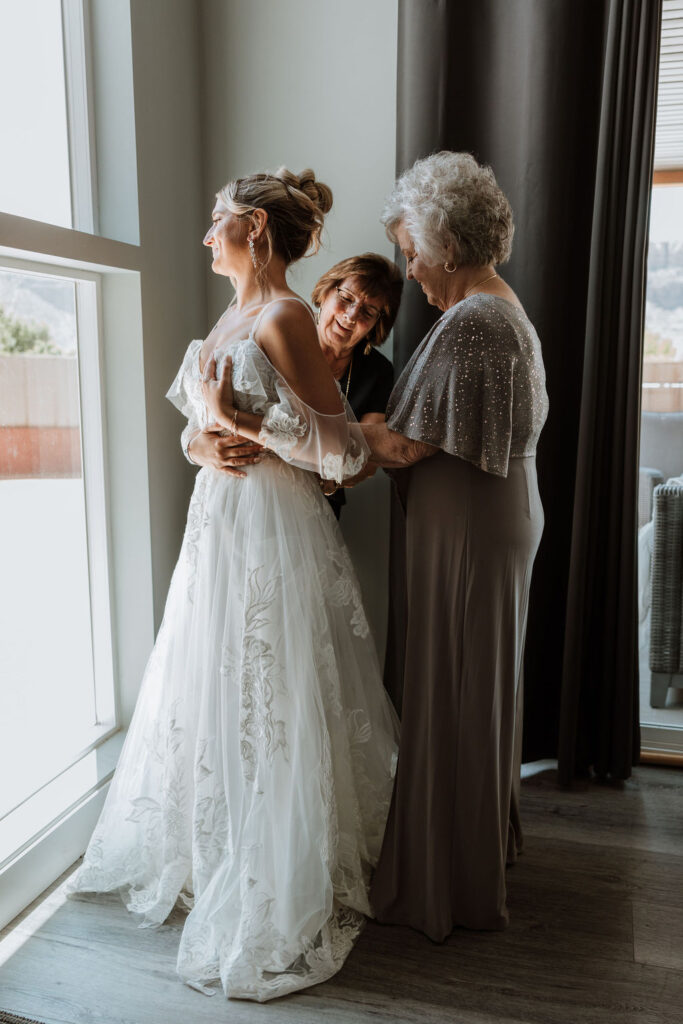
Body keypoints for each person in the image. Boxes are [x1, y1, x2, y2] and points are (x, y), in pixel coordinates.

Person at [67, 168, 399, 1001]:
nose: (207, 237)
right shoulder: (236, 314)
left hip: (271, 533)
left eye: (217, 224)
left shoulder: (285, 314)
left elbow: (347, 457)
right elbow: (198, 428)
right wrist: (206, 447)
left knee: (270, 690)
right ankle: (217, 841)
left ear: (252, 227)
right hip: (218, 523)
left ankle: (274, 861)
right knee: (214, 680)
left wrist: (248, 426)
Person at [360, 152, 549, 940]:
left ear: (445, 241)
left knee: (453, 693)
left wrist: (352, 427)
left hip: (467, 531)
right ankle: (472, 851)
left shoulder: (474, 321)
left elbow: (405, 448)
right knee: (475, 693)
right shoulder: (498, 310)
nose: (408, 268)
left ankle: (448, 883)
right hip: (482, 520)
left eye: (412, 251)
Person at [188, 253, 402, 518]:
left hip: (317, 505)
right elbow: (207, 410)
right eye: (345, 298)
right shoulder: (282, 331)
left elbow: (366, 456)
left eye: (367, 312)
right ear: (325, 292)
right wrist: (194, 446)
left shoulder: (378, 372)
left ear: (376, 324)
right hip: (251, 491)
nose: (351, 315)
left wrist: (330, 475)